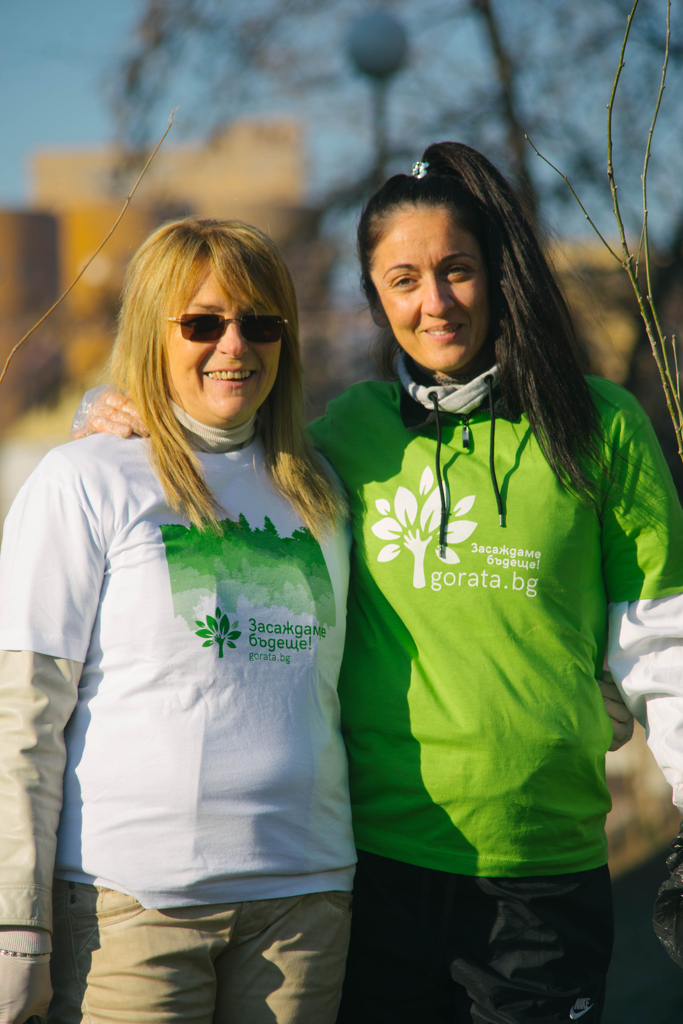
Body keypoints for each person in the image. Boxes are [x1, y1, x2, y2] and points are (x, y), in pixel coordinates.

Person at [71, 142, 682, 1024]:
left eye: (456, 270)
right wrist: (106, 406)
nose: (435, 301)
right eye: (403, 280)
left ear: (496, 273)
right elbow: (217, 440)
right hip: (371, 872)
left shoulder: (599, 425)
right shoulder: (340, 441)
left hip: (541, 875)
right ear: (373, 297)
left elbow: (661, 641)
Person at [0, 218, 356, 1023]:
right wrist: (16, 919)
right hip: (132, 907)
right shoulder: (84, 480)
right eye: (202, 323)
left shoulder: (321, 491)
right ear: (151, 331)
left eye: (260, 323)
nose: (235, 346)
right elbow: (23, 714)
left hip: (304, 903)